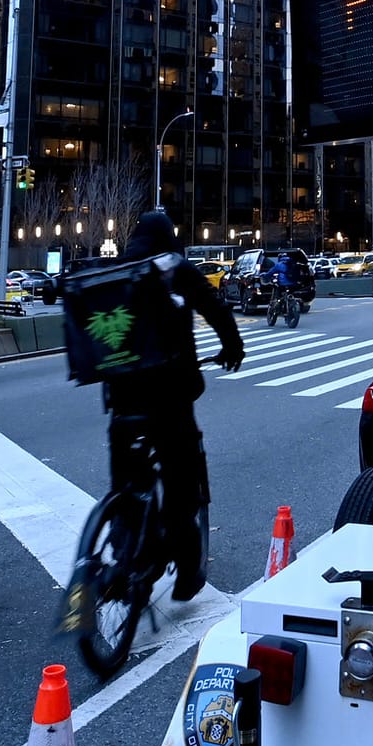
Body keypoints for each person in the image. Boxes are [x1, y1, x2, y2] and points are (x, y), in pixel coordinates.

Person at [103, 209, 244, 601]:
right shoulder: (174, 268)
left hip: (122, 399)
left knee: (128, 485)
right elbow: (215, 307)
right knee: (182, 483)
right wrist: (232, 346)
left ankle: (125, 560)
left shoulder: (116, 271)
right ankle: (186, 573)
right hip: (169, 397)